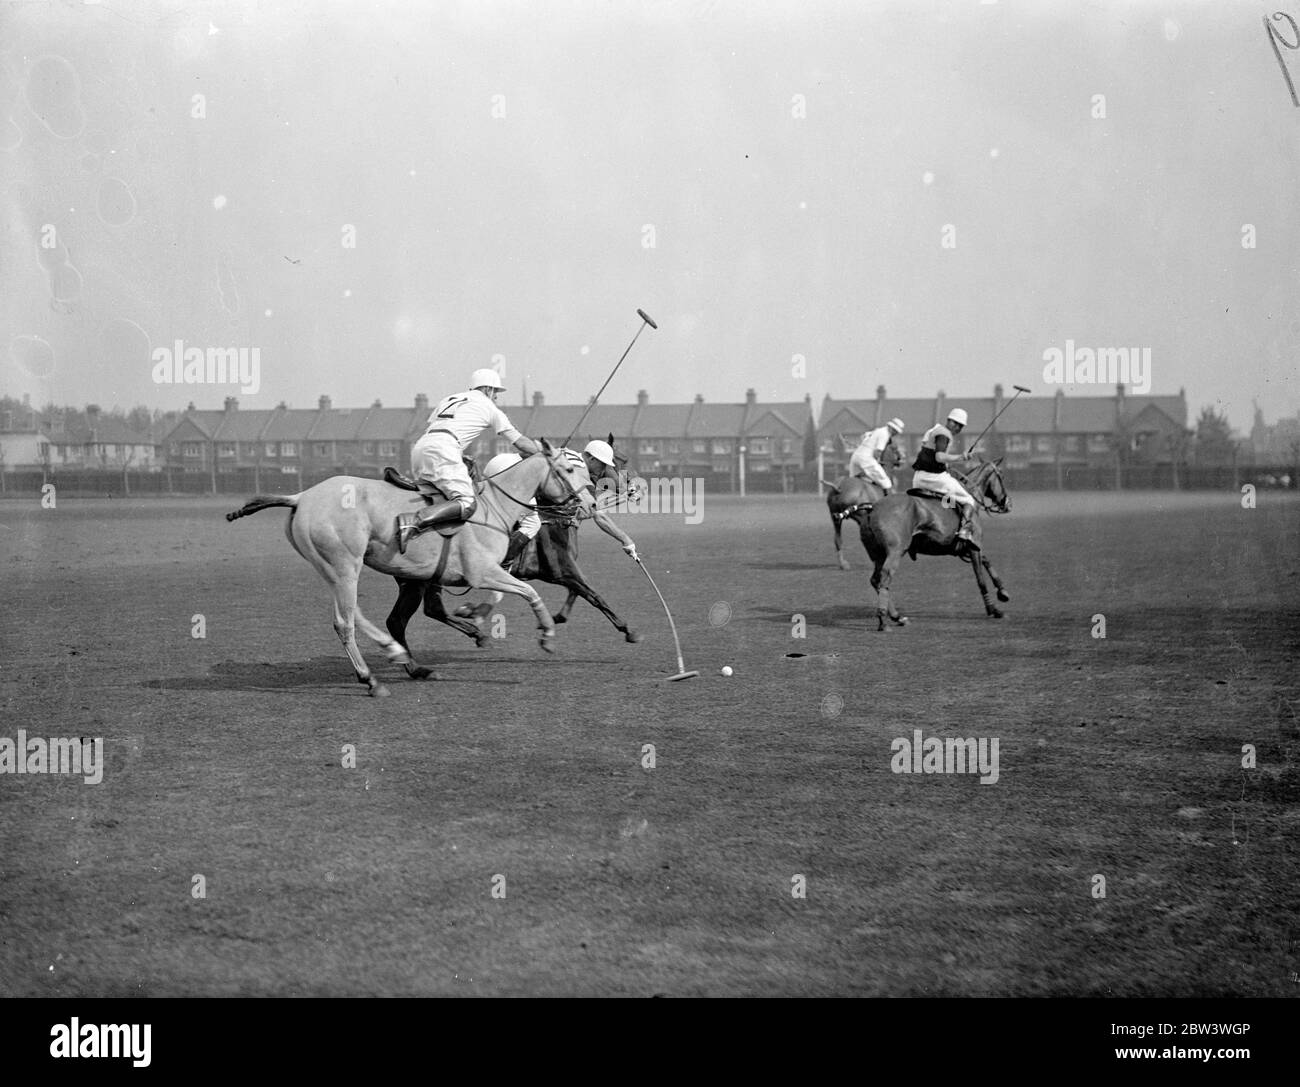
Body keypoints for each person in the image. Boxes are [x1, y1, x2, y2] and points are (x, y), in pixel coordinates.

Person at [395, 368, 540, 554]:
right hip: (444, 449)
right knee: (467, 503)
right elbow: (520, 442)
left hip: (420, 448)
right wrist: (545, 454)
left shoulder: (449, 399)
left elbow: (439, 426)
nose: (496, 397)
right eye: (496, 392)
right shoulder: (489, 407)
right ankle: (412, 522)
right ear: (488, 389)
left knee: (436, 497)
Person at [485, 439, 639, 571]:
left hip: (499, 462)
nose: (603, 470)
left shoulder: (568, 453)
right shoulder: (580, 471)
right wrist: (625, 540)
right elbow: (596, 514)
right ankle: (502, 566)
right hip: (513, 472)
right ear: (592, 459)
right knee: (531, 523)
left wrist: (622, 498)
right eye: (603, 464)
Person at [911, 407, 978, 546]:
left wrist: (946, 465)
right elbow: (939, 456)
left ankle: (945, 520)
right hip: (933, 478)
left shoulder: (934, 431)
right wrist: (961, 457)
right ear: (948, 421)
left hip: (918, 478)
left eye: (960, 426)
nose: (957, 427)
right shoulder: (944, 434)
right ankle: (964, 531)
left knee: (948, 497)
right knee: (969, 500)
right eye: (955, 423)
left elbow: (929, 452)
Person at [849, 417, 904, 493]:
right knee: (886, 483)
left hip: (855, 457)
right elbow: (878, 452)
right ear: (893, 429)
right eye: (896, 431)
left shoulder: (877, 430)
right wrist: (877, 462)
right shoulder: (885, 434)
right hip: (866, 458)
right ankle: (889, 502)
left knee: (854, 481)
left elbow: (863, 436)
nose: (896, 434)